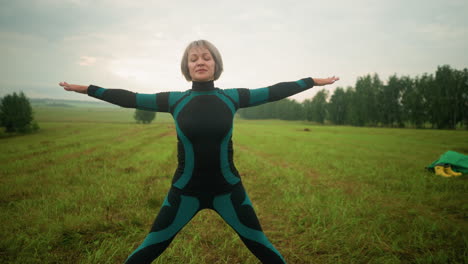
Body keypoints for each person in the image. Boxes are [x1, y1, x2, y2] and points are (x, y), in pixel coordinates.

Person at [59, 39, 339, 264]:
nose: (200, 62)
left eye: (206, 57)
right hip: (185, 192)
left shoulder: (232, 97)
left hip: (228, 190)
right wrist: (88, 89)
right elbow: (128, 98)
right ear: (187, 67)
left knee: (262, 246)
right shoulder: (174, 101)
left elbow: (274, 90)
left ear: (216, 65)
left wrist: (311, 81)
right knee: (150, 248)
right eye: (194, 59)